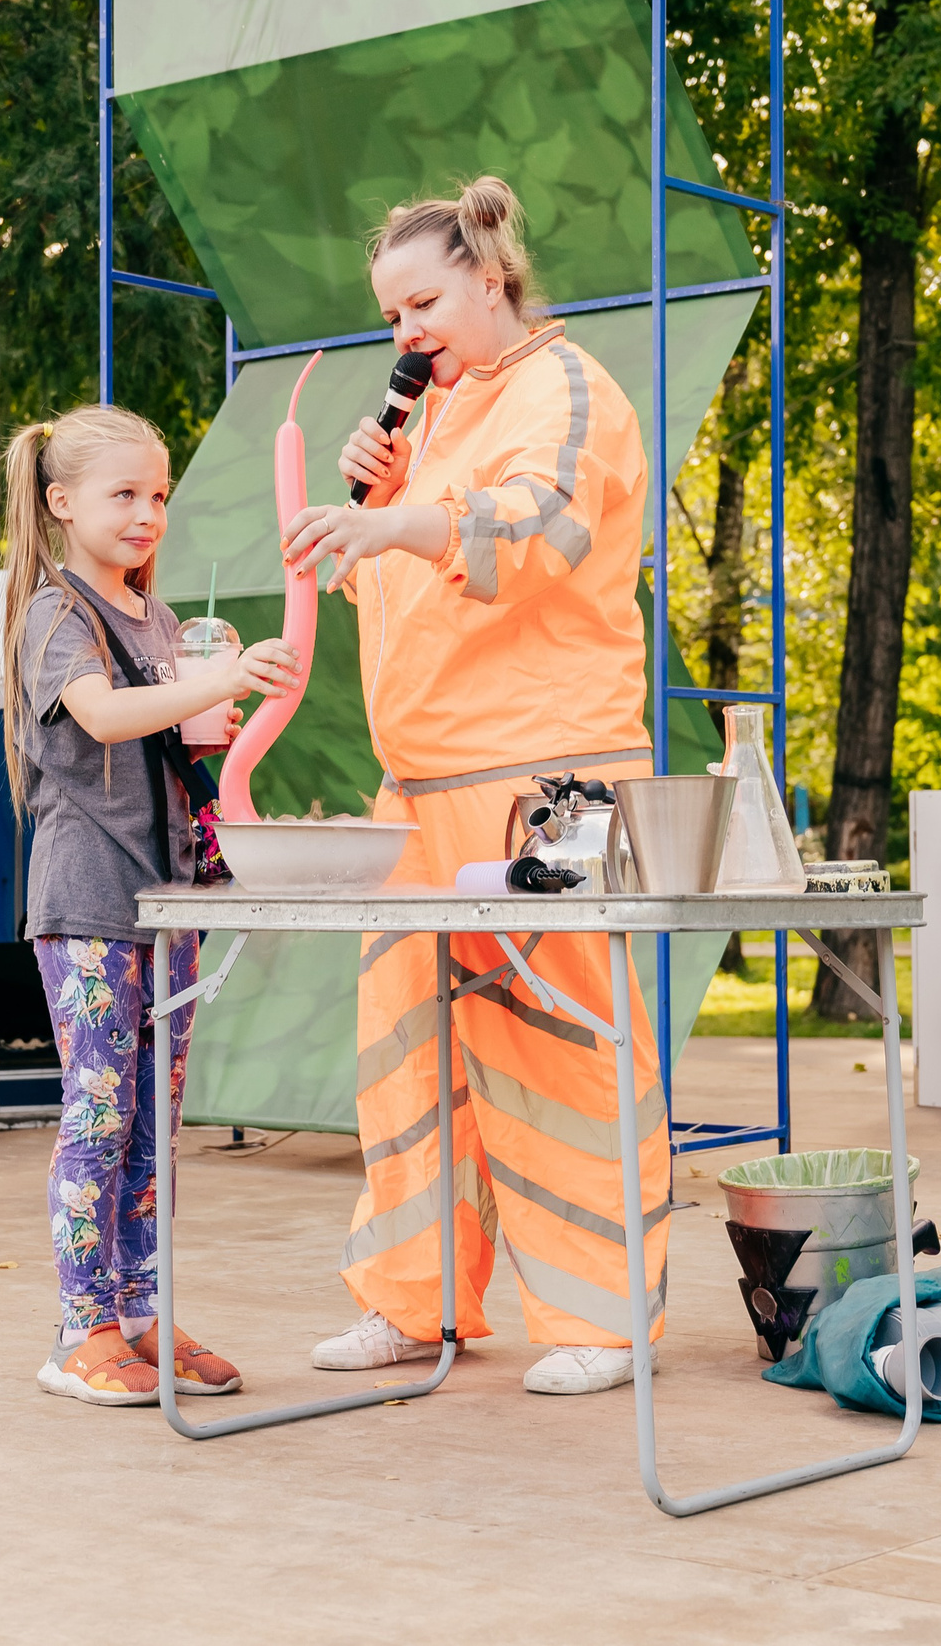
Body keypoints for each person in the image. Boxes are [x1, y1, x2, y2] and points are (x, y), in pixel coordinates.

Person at [280, 175, 669, 1396]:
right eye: (391, 314)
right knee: (407, 1053)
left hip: (552, 776)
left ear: (489, 278)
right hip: (421, 783)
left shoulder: (569, 388)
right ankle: (415, 1302)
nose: (405, 332)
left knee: (559, 1037)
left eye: (422, 301)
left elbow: (537, 528)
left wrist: (403, 523)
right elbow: (396, 582)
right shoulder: (431, 418)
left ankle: (602, 1316)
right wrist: (376, 509)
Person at [2, 403, 302, 1406]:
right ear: (60, 502)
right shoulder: (57, 613)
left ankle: (140, 1310)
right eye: (123, 493)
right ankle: (78, 1325)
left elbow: (156, 735)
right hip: (89, 899)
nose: (147, 514)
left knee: (151, 1122)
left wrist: (211, 714)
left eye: (159, 494)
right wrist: (209, 680)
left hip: (168, 900)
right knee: (97, 1109)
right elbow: (98, 712)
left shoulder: (159, 619)